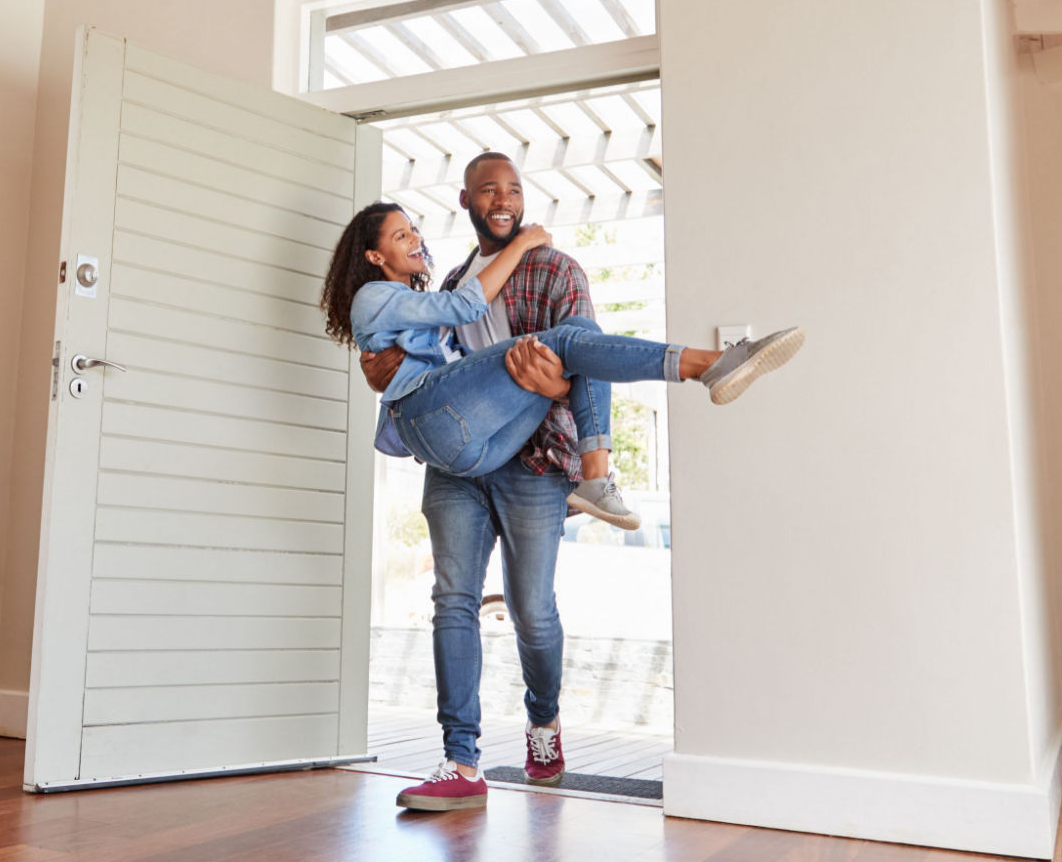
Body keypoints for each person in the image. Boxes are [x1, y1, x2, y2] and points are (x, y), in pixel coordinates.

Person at [336, 153, 802, 811]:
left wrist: (547, 381)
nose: (504, 199)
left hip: (530, 458)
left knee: (533, 610)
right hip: (459, 459)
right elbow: (422, 357)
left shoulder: (555, 268)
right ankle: (460, 761)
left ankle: (543, 719)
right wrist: (383, 367)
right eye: (488, 190)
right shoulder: (449, 281)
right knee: (453, 599)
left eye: (515, 189)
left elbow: (582, 360)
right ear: (467, 202)